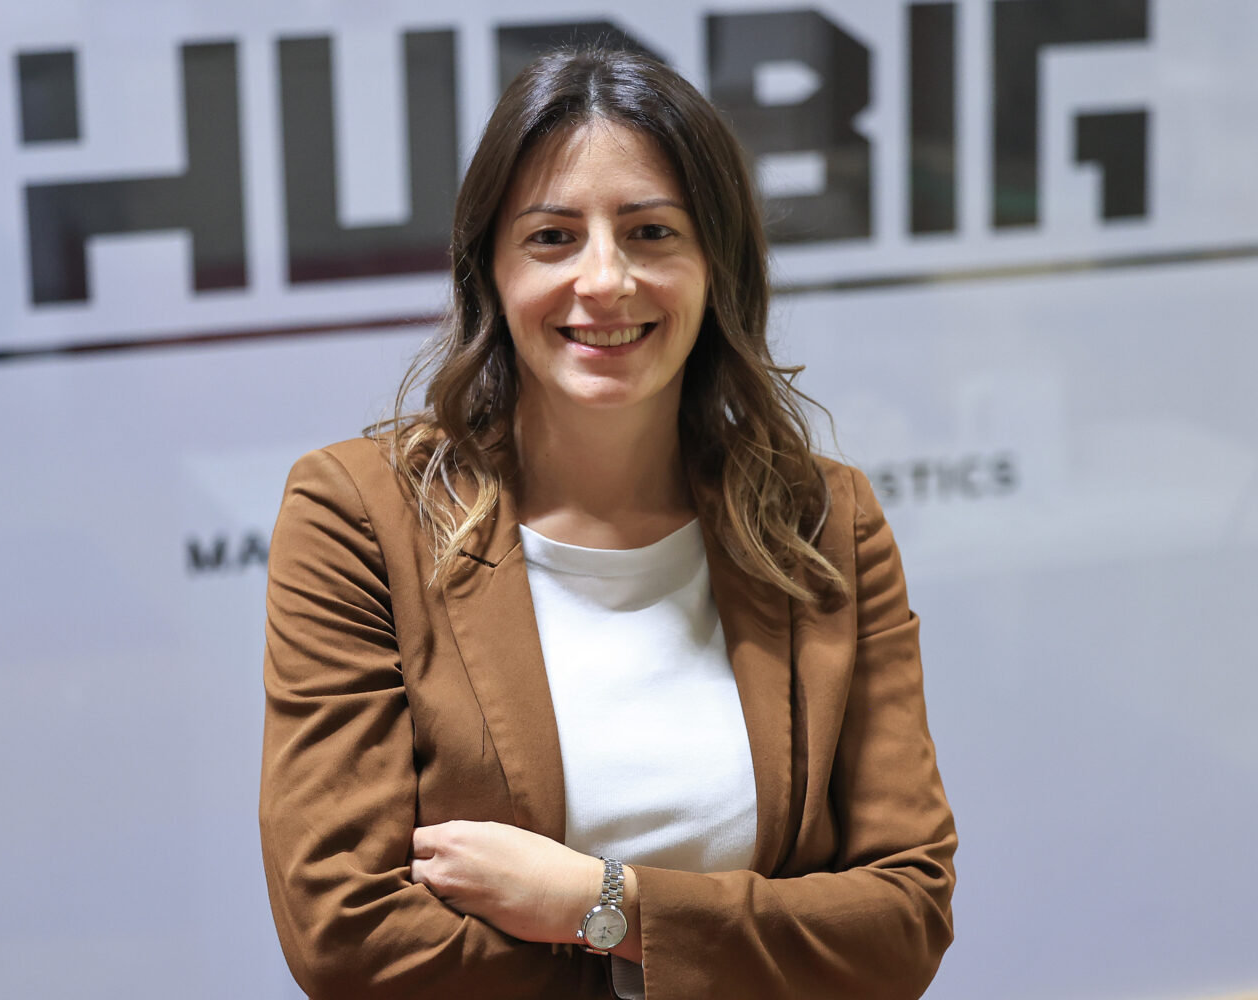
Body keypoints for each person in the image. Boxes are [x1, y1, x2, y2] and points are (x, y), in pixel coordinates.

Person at [259, 47, 956, 1000]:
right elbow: (344, 936)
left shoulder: (824, 522)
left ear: (715, 265)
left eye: (651, 232)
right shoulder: (358, 517)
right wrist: (720, 957)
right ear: (488, 270)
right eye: (552, 237)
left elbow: (903, 922)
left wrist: (599, 903)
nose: (605, 280)